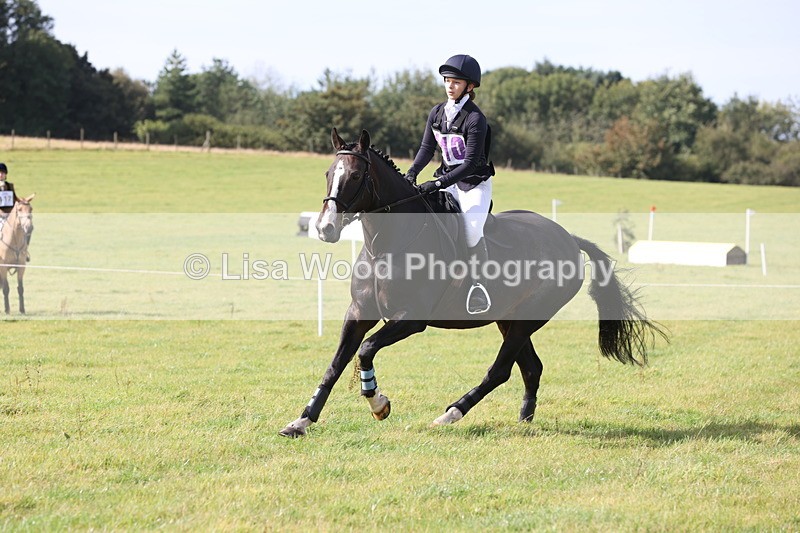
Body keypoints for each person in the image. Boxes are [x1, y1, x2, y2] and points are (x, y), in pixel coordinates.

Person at [404, 54, 496, 314]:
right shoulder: (437, 113)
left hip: (473, 184)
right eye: (447, 80)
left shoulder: (475, 119)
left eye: (456, 82)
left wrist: (438, 183)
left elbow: (469, 163)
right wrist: (411, 174)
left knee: (471, 231)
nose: (449, 85)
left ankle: (479, 286)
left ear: (470, 86)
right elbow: (426, 148)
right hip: (446, 181)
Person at [0, 162, 30, 261]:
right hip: (0, 216)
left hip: (11, 216)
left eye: (3, 173)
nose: (1, 174)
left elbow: (15, 198)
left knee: (27, 228)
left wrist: (24, 201)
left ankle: (24, 252)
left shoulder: (10, 185)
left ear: (6, 174)